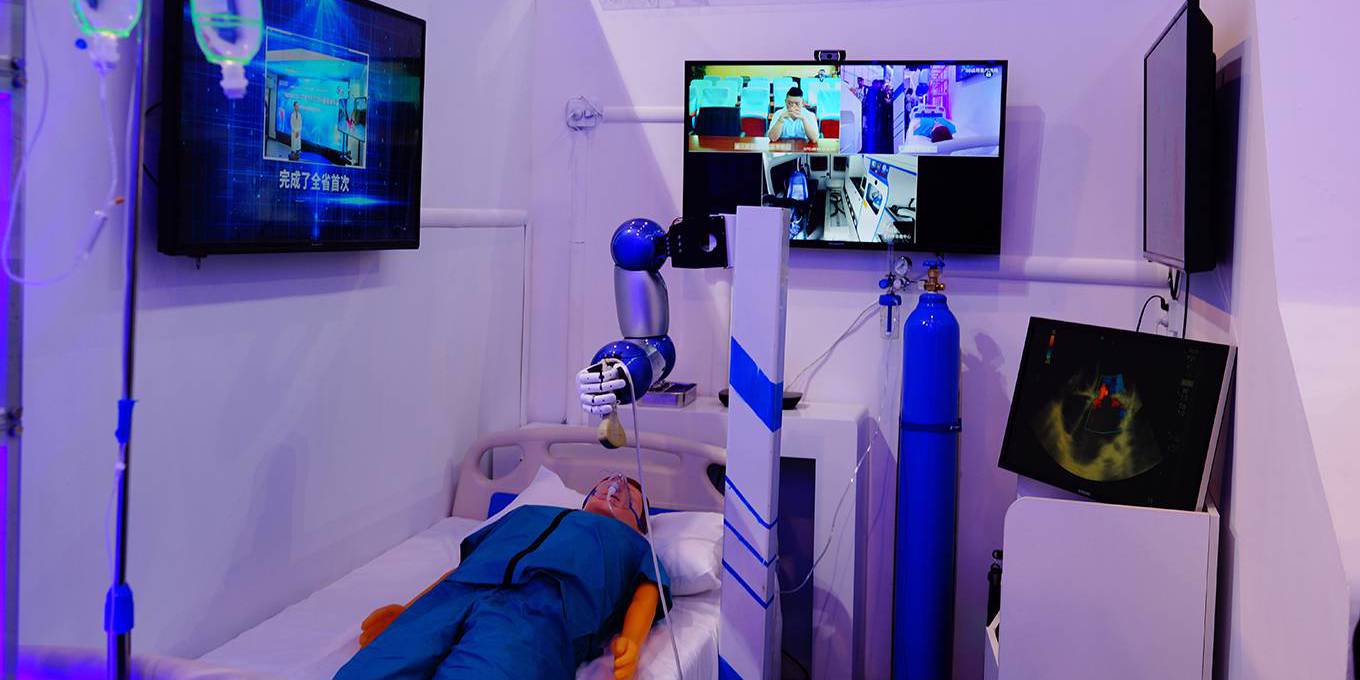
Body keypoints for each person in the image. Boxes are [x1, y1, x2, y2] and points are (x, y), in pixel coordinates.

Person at [334, 474, 670, 680]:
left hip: (539, 611)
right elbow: (461, 569)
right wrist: (408, 611)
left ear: (640, 523)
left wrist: (632, 641)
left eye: (630, 495)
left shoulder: (633, 545)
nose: (615, 485)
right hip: (458, 591)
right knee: (372, 668)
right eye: (606, 481)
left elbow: (647, 591)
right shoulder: (529, 513)